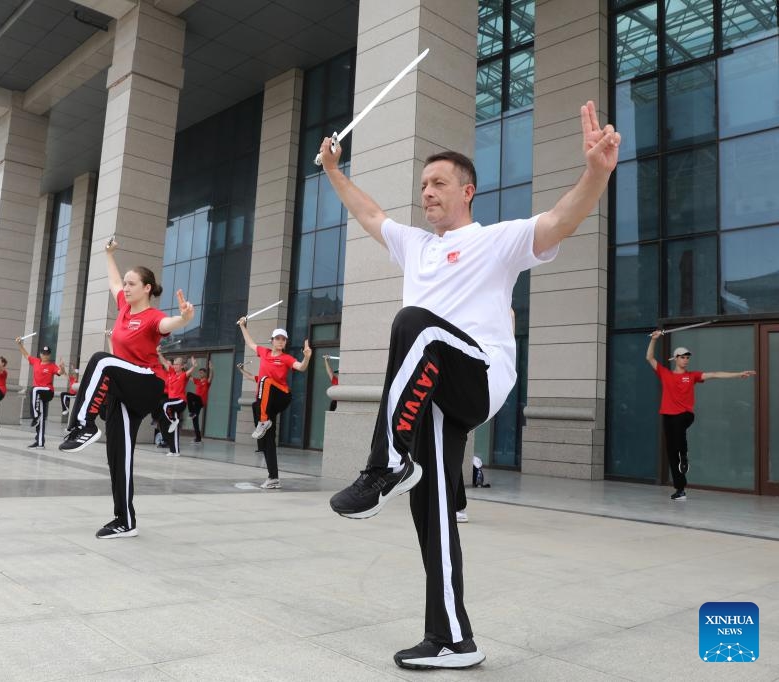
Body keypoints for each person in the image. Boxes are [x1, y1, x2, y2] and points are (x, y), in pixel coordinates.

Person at [318, 101, 621, 670]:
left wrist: (596, 172)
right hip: (430, 397)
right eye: (423, 185)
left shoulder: (496, 240)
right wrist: (335, 170)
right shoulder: (415, 246)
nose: (427, 192)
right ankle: (454, 639)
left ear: (467, 192)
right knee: (431, 516)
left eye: (438, 183)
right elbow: (369, 214)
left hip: (476, 377)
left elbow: (560, 220)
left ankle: (385, 465)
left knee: (415, 325)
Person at [59, 238, 194, 539]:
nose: (128, 288)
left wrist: (185, 317)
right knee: (118, 453)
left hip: (147, 382)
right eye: (128, 284)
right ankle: (125, 520)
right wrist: (108, 254)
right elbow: (114, 280)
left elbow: (170, 324)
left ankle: (82, 425)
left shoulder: (152, 318)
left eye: (134, 284)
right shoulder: (123, 307)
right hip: (124, 389)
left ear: (147, 288)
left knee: (101, 361)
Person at [645, 330, 755, 501]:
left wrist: (738, 374)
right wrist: (654, 339)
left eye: (688, 357)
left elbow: (715, 374)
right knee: (671, 451)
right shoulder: (665, 374)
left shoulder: (692, 376)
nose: (686, 359)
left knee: (679, 430)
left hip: (685, 415)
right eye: (682, 357)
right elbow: (650, 358)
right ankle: (680, 489)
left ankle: (684, 454)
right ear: (675, 359)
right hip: (668, 415)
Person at [236, 321, 312, 489]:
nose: (280, 341)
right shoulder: (264, 352)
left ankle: (264, 421)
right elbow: (250, 343)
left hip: (282, 396)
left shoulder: (286, 358)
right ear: (271, 340)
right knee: (267, 439)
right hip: (264, 401)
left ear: (285, 343)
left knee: (265, 380)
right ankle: (273, 478)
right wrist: (243, 326)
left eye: (283, 339)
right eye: (277, 338)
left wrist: (306, 357)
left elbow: (301, 367)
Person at [17, 340, 62, 449]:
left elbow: (60, 372)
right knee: (41, 418)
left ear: (49, 355)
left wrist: (63, 368)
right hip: (38, 395)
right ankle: (40, 442)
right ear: (40, 354)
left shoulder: (52, 366)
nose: (44, 355)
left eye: (47, 354)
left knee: (34, 389)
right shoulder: (36, 361)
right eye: (43, 353)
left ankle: (35, 416)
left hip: (47, 392)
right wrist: (19, 344)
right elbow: (26, 354)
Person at [157, 351, 194, 457]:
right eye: (174, 364)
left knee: (164, 404)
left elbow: (189, 372)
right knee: (174, 429)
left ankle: (173, 420)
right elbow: (165, 363)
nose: (174, 365)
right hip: (172, 403)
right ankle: (174, 451)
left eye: (177, 364)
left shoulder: (183, 375)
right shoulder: (171, 374)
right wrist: (158, 353)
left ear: (182, 366)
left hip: (180, 401)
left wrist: (193, 366)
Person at [187, 360, 213, 443]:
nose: (200, 374)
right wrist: (185, 368)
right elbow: (189, 376)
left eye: (202, 373)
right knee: (195, 419)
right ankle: (198, 438)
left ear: (205, 373)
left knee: (189, 394)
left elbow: (211, 377)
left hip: (201, 401)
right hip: (196, 403)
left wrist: (211, 369)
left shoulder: (206, 382)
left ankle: (191, 412)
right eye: (199, 373)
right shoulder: (197, 381)